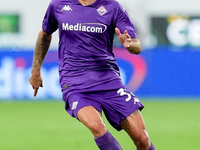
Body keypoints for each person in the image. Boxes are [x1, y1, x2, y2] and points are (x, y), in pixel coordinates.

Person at [29, 0, 155, 149]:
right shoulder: (58, 5)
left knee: (142, 139)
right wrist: (35, 71)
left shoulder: (112, 6)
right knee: (97, 126)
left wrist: (130, 44)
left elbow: (136, 45)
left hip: (109, 81)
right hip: (75, 83)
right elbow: (45, 34)